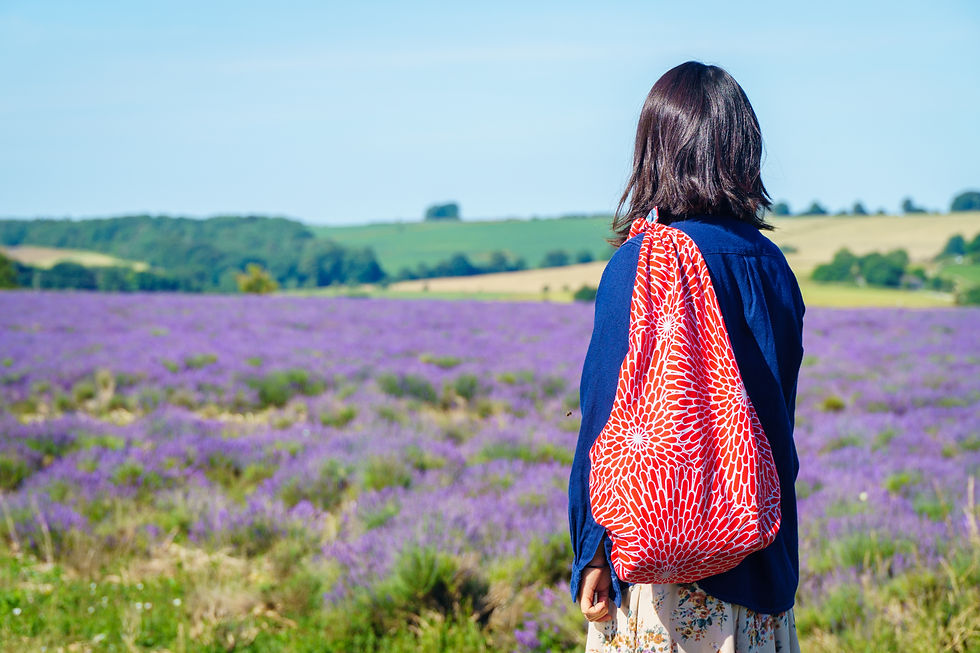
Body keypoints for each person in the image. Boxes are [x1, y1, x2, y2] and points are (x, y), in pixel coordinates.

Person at [567, 61, 806, 653]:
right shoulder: (773, 268)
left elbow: (607, 423)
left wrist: (591, 549)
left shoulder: (641, 267)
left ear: (655, 150)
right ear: (743, 148)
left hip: (656, 571)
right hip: (760, 558)